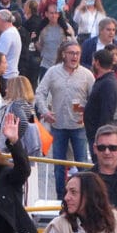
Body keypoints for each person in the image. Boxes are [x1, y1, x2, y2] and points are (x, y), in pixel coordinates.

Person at [35, 41, 95, 197]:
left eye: (77, 53)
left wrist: (86, 112)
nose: (74, 56)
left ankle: (83, 198)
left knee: (82, 164)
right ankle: (61, 198)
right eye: (71, 53)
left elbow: (94, 98)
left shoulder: (86, 74)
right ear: (63, 54)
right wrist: (44, 111)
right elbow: (40, 92)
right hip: (58, 125)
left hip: (79, 126)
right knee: (58, 166)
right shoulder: (53, 72)